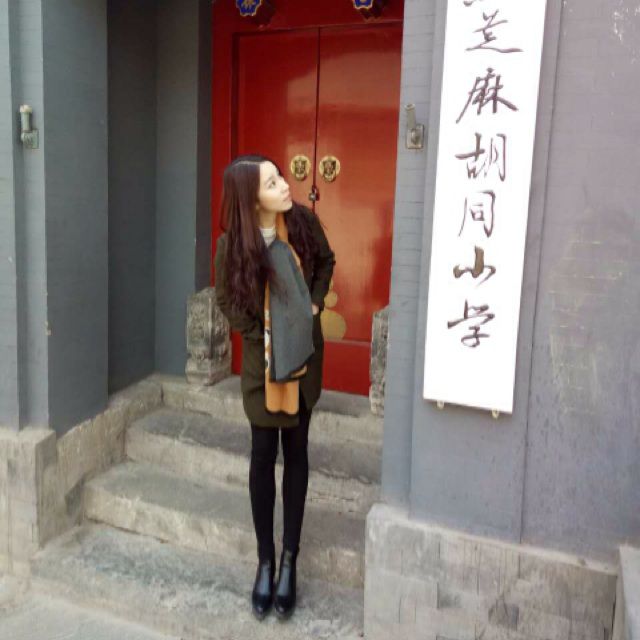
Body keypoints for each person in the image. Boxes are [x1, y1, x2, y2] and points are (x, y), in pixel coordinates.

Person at [214, 154, 336, 621]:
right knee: (263, 456)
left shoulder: (302, 224)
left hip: (303, 362)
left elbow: (326, 262)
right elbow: (226, 298)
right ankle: (265, 560)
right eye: (272, 182)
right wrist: (260, 335)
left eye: (280, 176)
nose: (284, 185)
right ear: (251, 200)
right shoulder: (233, 246)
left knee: (297, 452)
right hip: (262, 370)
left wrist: (313, 306)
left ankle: (290, 560)